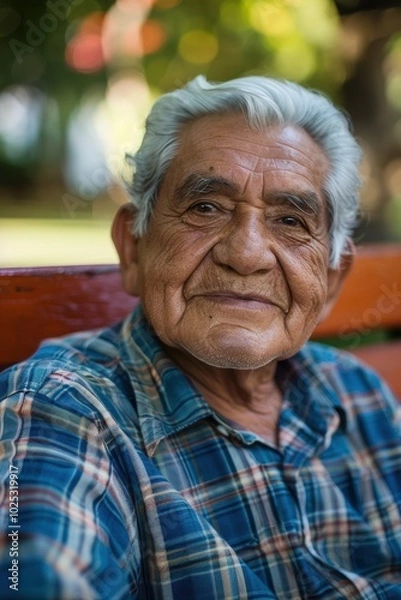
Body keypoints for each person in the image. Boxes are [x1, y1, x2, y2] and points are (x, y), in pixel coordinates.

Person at [0, 75, 400, 600]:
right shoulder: (64, 408)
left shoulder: (354, 391)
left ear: (329, 282)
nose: (247, 254)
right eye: (205, 208)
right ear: (135, 248)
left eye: (290, 219)